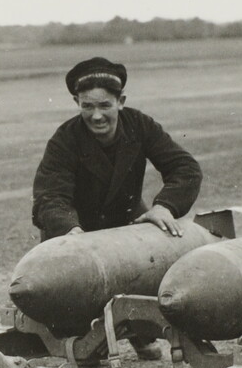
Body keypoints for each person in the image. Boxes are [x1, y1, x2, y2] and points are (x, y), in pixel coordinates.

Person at [31, 56, 202, 241]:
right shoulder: (63, 140)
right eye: (87, 106)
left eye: (105, 105)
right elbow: (49, 197)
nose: (97, 116)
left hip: (128, 227)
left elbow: (185, 168)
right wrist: (69, 229)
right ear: (76, 102)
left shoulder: (140, 124)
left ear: (120, 101)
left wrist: (165, 206)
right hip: (75, 232)